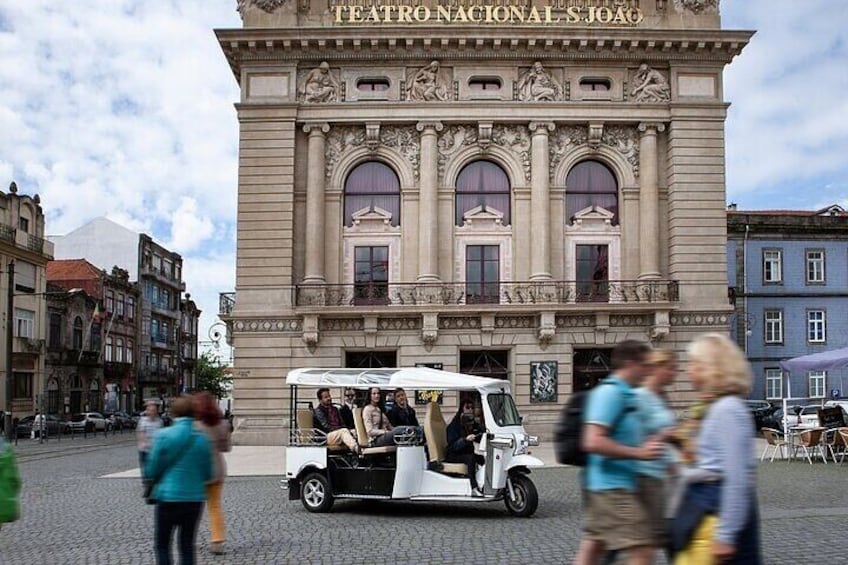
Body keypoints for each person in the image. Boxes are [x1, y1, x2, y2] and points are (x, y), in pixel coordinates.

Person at [670, 333, 762, 564]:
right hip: (709, 502)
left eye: (694, 363)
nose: (688, 369)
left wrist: (726, 535)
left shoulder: (727, 410)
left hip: (717, 507)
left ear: (711, 367)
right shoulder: (718, 407)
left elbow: (737, 478)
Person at [573, 339, 665, 565]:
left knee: (592, 549)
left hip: (610, 485)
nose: (648, 371)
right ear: (631, 363)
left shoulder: (627, 394)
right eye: (645, 365)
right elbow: (592, 441)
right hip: (612, 488)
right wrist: (639, 453)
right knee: (642, 549)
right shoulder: (610, 393)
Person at [145, 396, 212, 565]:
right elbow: (208, 473)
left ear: (173, 413)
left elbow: (151, 469)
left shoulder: (163, 435)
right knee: (187, 545)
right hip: (194, 499)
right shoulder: (202, 439)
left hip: (168, 496)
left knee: (162, 544)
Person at [635, 349, 678, 552]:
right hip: (645, 477)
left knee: (656, 539)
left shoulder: (660, 396)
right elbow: (633, 436)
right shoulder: (641, 397)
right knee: (648, 542)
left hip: (661, 475)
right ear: (656, 368)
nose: (674, 373)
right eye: (670, 368)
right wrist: (663, 436)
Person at [193, 392, 231, 556]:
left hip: (197, 471)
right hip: (216, 468)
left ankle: (189, 538)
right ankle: (217, 540)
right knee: (215, 506)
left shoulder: (194, 425)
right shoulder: (222, 424)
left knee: (193, 506)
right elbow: (226, 448)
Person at [445, 400, 484, 492]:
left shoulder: (471, 423)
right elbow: (452, 446)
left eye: (472, 408)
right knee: (471, 458)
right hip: (453, 455)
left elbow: (479, 433)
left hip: (465, 453)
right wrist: (465, 440)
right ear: (462, 409)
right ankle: (474, 487)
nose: (470, 410)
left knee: (482, 458)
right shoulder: (454, 425)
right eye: (467, 407)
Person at [313, 388, 359, 453]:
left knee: (355, 431)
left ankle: (364, 449)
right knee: (343, 431)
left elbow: (342, 423)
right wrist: (341, 429)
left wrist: (346, 429)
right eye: (326, 397)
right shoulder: (319, 411)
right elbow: (326, 427)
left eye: (329, 396)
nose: (329, 398)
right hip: (325, 436)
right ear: (320, 400)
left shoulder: (335, 409)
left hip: (337, 433)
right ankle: (356, 448)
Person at [137, 401, 163, 480]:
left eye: (153, 410)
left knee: (155, 467)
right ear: (147, 411)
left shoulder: (159, 421)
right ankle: (146, 481)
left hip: (156, 449)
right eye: (150, 410)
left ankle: (153, 479)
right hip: (144, 449)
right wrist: (144, 442)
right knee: (145, 467)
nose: (152, 412)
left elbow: (161, 434)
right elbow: (140, 433)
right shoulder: (142, 421)